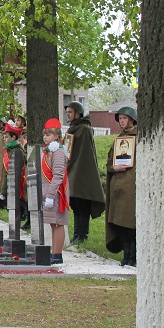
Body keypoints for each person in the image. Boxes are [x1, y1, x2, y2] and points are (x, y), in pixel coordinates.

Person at [64, 101, 105, 244]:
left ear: (78, 113)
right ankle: (77, 234)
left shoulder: (84, 129)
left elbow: (85, 154)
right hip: (72, 170)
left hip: (83, 171)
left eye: (70, 112)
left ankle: (83, 235)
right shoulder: (72, 129)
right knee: (75, 204)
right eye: (67, 112)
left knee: (82, 204)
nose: (67, 115)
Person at [106, 106, 137, 267]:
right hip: (118, 187)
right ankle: (126, 257)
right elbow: (110, 162)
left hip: (131, 188)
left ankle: (133, 257)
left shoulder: (139, 138)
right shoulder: (119, 139)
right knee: (120, 224)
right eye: (120, 119)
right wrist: (114, 168)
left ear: (132, 119)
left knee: (130, 224)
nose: (122, 121)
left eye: (125, 118)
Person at [41, 118, 70, 264]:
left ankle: (57, 254)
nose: (45, 137)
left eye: (49, 134)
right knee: (53, 223)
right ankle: (54, 251)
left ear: (57, 136)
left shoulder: (58, 152)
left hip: (57, 193)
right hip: (50, 193)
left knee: (58, 223)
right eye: (45, 134)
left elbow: (58, 175)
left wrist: (51, 194)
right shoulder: (49, 151)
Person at [0, 122, 28, 228]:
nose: (4, 139)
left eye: (6, 137)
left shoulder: (16, 151)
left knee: (17, 207)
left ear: (13, 137)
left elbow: (17, 171)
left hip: (16, 184)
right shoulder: (10, 150)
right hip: (9, 184)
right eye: (3, 137)